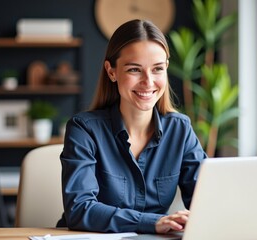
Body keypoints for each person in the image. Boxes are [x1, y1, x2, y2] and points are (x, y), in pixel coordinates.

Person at [57, 19, 207, 234]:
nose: (148, 81)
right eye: (135, 70)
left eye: (157, 69)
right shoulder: (84, 129)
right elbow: (79, 210)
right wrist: (153, 222)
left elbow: (206, 203)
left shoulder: (180, 130)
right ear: (112, 71)